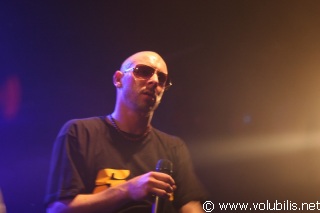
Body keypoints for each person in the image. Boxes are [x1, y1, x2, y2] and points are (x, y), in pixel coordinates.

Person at [45, 51, 207, 213]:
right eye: (143, 71)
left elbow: (191, 206)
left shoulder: (174, 147)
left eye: (162, 79)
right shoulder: (80, 133)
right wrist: (128, 190)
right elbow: (58, 210)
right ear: (118, 79)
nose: (154, 81)